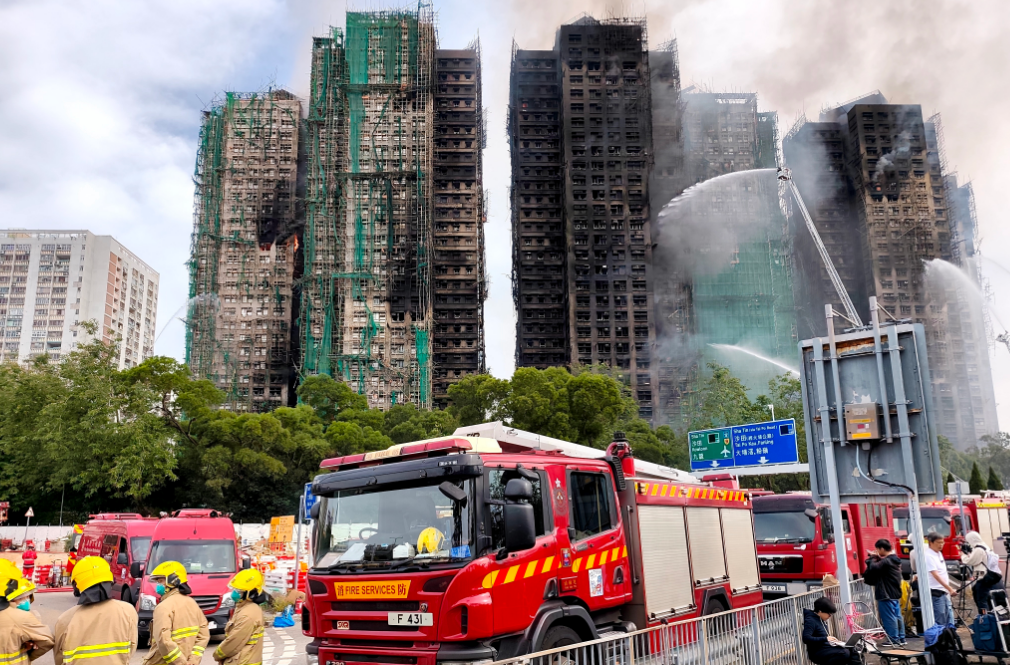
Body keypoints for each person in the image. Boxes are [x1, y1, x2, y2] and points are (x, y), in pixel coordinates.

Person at [53, 556, 138, 665]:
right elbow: (131, 647)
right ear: (110, 581)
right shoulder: (127, 611)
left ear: (76, 585)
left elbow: (59, 658)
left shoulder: (65, 620)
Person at [142, 561, 209, 665]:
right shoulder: (193, 603)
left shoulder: (163, 607)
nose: (158, 585)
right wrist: (193, 661)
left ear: (172, 581)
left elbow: (164, 641)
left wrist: (180, 663)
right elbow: (204, 636)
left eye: (161, 581)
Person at [213, 569, 268, 665]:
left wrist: (217, 654)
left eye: (238, 591)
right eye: (234, 589)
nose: (234, 593)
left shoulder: (247, 614)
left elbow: (234, 642)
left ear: (251, 593)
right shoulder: (244, 607)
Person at [0, 574, 55, 663]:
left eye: (28, 597)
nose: (26, 600)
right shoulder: (22, 618)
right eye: (21, 598)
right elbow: (47, 641)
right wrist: (28, 653)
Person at [865, 538, 906, 646]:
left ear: (882, 549)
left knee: (889, 618)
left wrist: (872, 557)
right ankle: (901, 638)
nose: (877, 551)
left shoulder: (887, 561)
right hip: (894, 593)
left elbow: (873, 567)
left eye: (877, 549)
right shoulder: (894, 559)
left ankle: (894, 639)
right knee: (897, 616)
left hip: (885, 593)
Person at [802, 597, 861, 665]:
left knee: (852, 649)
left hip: (826, 648)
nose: (830, 616)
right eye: (829, 614)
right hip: (817, 652)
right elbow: (806, 638)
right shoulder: (810, 621)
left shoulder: (821, 619)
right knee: (844, 653)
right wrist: (826, 638)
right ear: (820, 611)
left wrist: (835, 642)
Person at [960, 530, 1004, 613]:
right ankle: (993, 616)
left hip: (984, 577)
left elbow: (970, 561)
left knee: (981, 600)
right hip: (993, 576)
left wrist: (963, 555)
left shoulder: (978, 549)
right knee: (993, 600)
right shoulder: (986, 547)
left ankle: (984, 617)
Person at [924, 532, 957, 626]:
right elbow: (936, 575)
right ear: (930, 542)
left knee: (947, 616)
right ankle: (941, 634)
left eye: (942, 542)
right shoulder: (928, 555)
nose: (941, 545)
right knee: (940, 616)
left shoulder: (938, 553)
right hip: (936, 591)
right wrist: (949, 588)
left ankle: (948, 633)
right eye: (938, 542)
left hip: (943, 590)